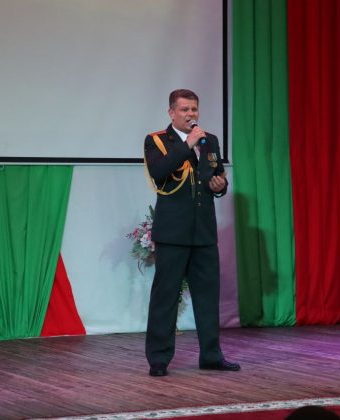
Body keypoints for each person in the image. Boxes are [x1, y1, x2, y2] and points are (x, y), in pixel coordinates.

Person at [143, 89, 240, 377]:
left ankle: (211, 355)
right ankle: (159, 359)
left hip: (203, 232)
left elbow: (215, 175)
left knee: (207, 297)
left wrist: (220, 186)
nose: (190, 114)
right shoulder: (157, 141)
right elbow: (159, 172)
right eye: (184, 109)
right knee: (166, 297)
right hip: (173, 233)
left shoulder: (210, 141)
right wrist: (188, 143)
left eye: (194, 109)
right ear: (171, 112)